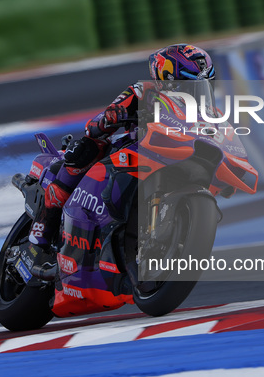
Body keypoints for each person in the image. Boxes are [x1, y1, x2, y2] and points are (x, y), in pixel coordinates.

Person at [28, 43, 216, 280]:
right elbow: (100, 122)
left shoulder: (210, 117)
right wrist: (112, 116)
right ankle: (41, 233)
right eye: (191, 86)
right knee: (85, 149)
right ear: (167, 80)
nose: (197, 93)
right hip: (134, 150)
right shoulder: (143, 92)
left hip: (174, 160)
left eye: (203, 86)